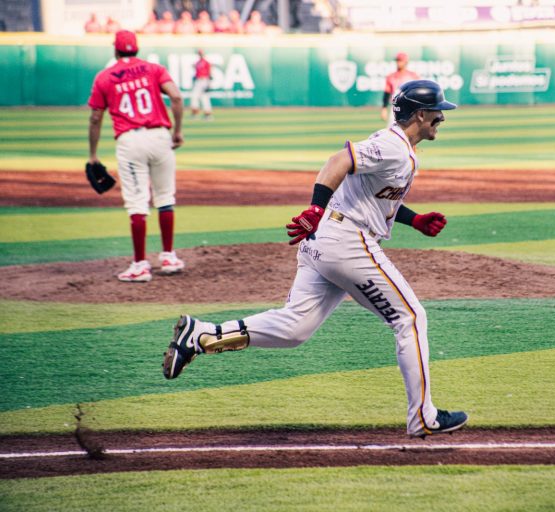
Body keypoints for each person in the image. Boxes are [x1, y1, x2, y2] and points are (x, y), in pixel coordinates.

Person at [162, 80, 468, 438]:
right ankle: (423, 416)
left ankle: (200, 335)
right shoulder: (393, 146)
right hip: (346, 241)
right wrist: (315, 207)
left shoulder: (396, 146)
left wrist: (412, 219)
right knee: (410, 318)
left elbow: (370, 195)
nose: (440, 118)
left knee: (295, 328)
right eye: (437, 113)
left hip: (327, 240)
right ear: (419, 114)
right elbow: (337, 161)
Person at [87, 30, 185, 282]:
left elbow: (96, 116)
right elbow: (175, 96)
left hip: (130, 140)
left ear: (116, 50)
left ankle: (140, 265)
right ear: (136, 48)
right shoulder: (154, 69)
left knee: (137, 202)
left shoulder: (104, 77)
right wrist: (177, 131)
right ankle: (168, 256)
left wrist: (93, 154)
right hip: (160, 135)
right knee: (165, 196)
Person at [381, 52, 420, 125]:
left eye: (400, 60)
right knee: (392, 132)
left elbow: (418, 93)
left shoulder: (413, 76)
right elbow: (387, 93)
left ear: (406, 62)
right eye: (397, 60)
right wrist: (384, 108)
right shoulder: (391, 76)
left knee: (410, 132)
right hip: (396, 108)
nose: (398, 62)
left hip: (410, 107)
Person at [190, 49, 213, 120]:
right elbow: (197, 73)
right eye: (199, 53)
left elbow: (209, 73)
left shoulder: (206, 62)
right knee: (194, 97)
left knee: (204, 97)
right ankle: (195, 113)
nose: (200, 55)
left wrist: (209, 84)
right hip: (198, 81)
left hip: (204, 80)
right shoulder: (197, 63)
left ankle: (208, 114)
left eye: (201, 53)